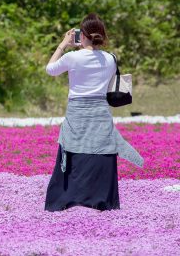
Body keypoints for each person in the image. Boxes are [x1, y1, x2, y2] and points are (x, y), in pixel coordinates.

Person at [44, 13, 144, 211]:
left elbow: (50, 69)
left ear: (84, 34)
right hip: (100, 110)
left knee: (74, 150)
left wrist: (63, 44)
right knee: (101, 151)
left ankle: (69, 198)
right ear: (101, 35)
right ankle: (100, 199)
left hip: (77, 111)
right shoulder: (110, 59)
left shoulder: (72, 57)